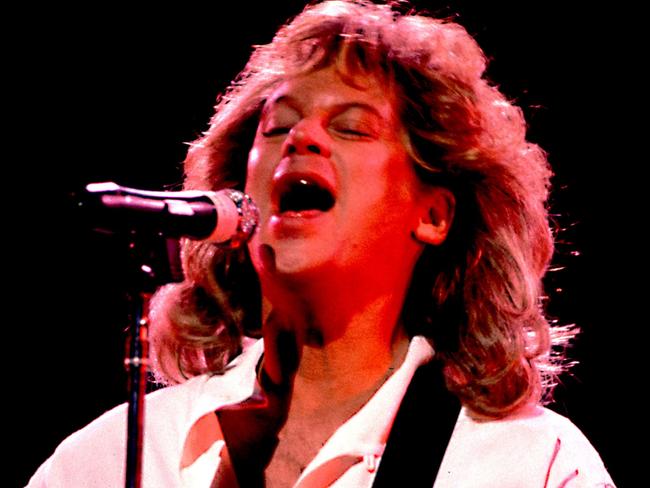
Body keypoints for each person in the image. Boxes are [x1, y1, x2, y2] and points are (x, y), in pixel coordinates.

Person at [28, 1, 615, 486]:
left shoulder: (527, 465)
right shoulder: (115, 458)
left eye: (352, 127)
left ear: (434, 214)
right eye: (279, 125)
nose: (302, 137)